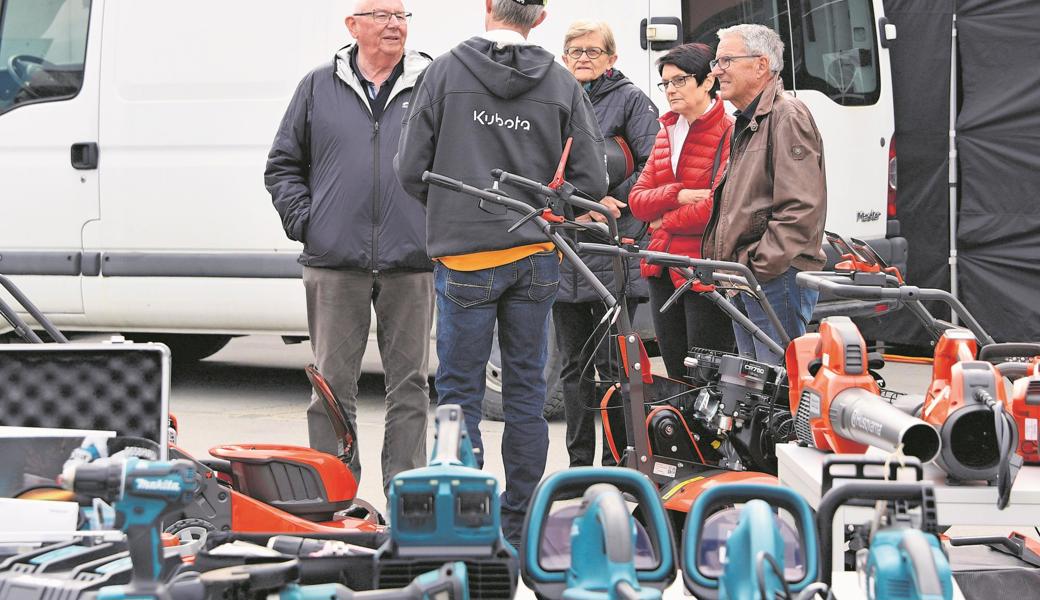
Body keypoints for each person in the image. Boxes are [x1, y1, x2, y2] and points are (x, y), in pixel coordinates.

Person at [395, 0, 607, 545]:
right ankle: (521, 521)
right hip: (536, 255)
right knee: (526, 395)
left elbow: (409, 167)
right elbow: (591, 177)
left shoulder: (443, 71)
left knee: (459, 392)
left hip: (466, 254)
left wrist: (453, 211)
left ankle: (466, 516)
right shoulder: (561, 82)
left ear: (488, 7)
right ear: (540, 18)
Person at [264, 0, 434, 497]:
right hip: (334, 262)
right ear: (353, 26)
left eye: (401, 16)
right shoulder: (317, 86)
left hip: (412, 262)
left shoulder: (431, 84)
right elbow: (282, 165)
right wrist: (309, 223)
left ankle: (408, 496)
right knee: (332, 390)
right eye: (382, 15)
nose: (394, 25)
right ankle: (332, 495)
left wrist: (434, 229)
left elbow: (456, 165)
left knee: (412, 389)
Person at [553, 20, 658, 468]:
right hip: (565, 249)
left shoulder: (632, 100)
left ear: (612, 58)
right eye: (574, 50)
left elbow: (656, 162)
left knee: (616, 369)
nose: (582, 58)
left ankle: (621, 463)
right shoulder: (554, 97)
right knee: (572, 370)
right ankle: (579, 465)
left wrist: (614, 201)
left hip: (615, 249)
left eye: (593, 51)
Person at [704, 24, 827, 364]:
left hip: (774, 278)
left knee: (781, 389)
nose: (716, 70)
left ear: (760, 66)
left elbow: (800, 207)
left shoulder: (787, 115)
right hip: (748, 276)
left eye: (726, 60)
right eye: (717, 62)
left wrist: (760, 267)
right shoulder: (749, 119)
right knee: (758, 393)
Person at [628, 43, 736, 379]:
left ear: (707, 82)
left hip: (704, 271)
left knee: (706, 377)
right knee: (675, 373)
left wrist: (664, 220)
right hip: (661, 268)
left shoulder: (729, 130)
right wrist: (679, 193)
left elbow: (716, 208)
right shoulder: (666, 132)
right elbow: (637, 200)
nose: (670, 90)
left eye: (680, 80)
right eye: (666, 83)